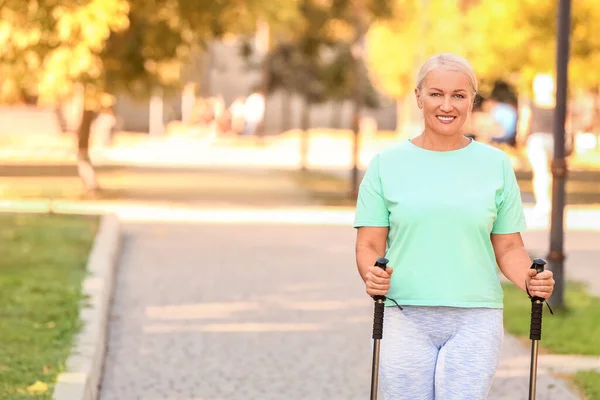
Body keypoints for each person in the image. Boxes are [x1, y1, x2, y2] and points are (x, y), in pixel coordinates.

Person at [353, 53, 555, 399]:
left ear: (472, 102)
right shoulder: (386, 165)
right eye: (436, 94)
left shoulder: (495, 165)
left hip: (475, 317)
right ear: (418, 97)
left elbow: (508, 246)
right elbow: (369, 245)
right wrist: (371, 273)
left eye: (459, 95)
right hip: (405, 312)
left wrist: (529, 278)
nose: (447, 105)